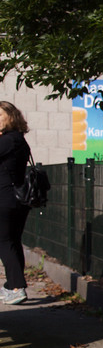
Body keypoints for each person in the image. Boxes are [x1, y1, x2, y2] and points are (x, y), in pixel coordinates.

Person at [0, 101, 31, 305]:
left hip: (4, 198)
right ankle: (13, 286)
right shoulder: (18, 140)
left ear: (10, 117)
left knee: (3, 242)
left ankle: (17, 287)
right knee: (12, 241)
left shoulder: (8, 140)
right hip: (17, 200)